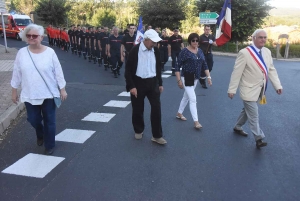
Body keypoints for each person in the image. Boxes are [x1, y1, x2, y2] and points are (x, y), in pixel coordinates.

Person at [11, 24, 67, 155]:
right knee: (33, 119)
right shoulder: (22, 53)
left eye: (34, 36)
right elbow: (16, 73)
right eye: (29, 35)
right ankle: (40, 132)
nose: (31, 38)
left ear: (41, 37)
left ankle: (50, 145)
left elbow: (58, 72)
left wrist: (62, 89)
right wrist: (14, 91)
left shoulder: (50, 52)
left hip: (48, 93)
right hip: (30, 94)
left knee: (50, 121)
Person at [227, 29, 283, 148]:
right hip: (247, 89)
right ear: (254, 38)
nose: (263, 39)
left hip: (260, 90)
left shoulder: (267, 52)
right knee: (254, 114)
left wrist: (277, 86)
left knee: (247, 111)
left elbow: (271, 70)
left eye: (265, 37)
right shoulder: (245, 53)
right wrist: (232, 89)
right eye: (260, 37)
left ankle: (237, 126)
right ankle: (259, 138)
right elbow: (236, 72)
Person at [125, 29, 167, 145]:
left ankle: (157, 135)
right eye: (153, 42)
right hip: (138, 83)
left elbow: (158, 68)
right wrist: (131, 86)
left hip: (153, 83)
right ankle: (138, 129)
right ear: (146, 40)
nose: (154, 44)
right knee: (138, 108)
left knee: (156, 109)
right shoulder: (135, 50)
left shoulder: (156, 51)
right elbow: (128, 71)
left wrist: (160, 83)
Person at [175, 33, 212, 129]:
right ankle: (196, 122)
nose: (195, 42)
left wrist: (209, 77)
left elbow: (204, 65)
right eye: (193, 40)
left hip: (196, 77)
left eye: (197, 40)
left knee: (186, 96)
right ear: (190, 41)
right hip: (187, 76)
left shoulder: (199, 51)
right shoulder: (184, 52)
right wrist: (179, 80)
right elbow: (177, 66)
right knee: (193, 99)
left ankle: (179, 113)